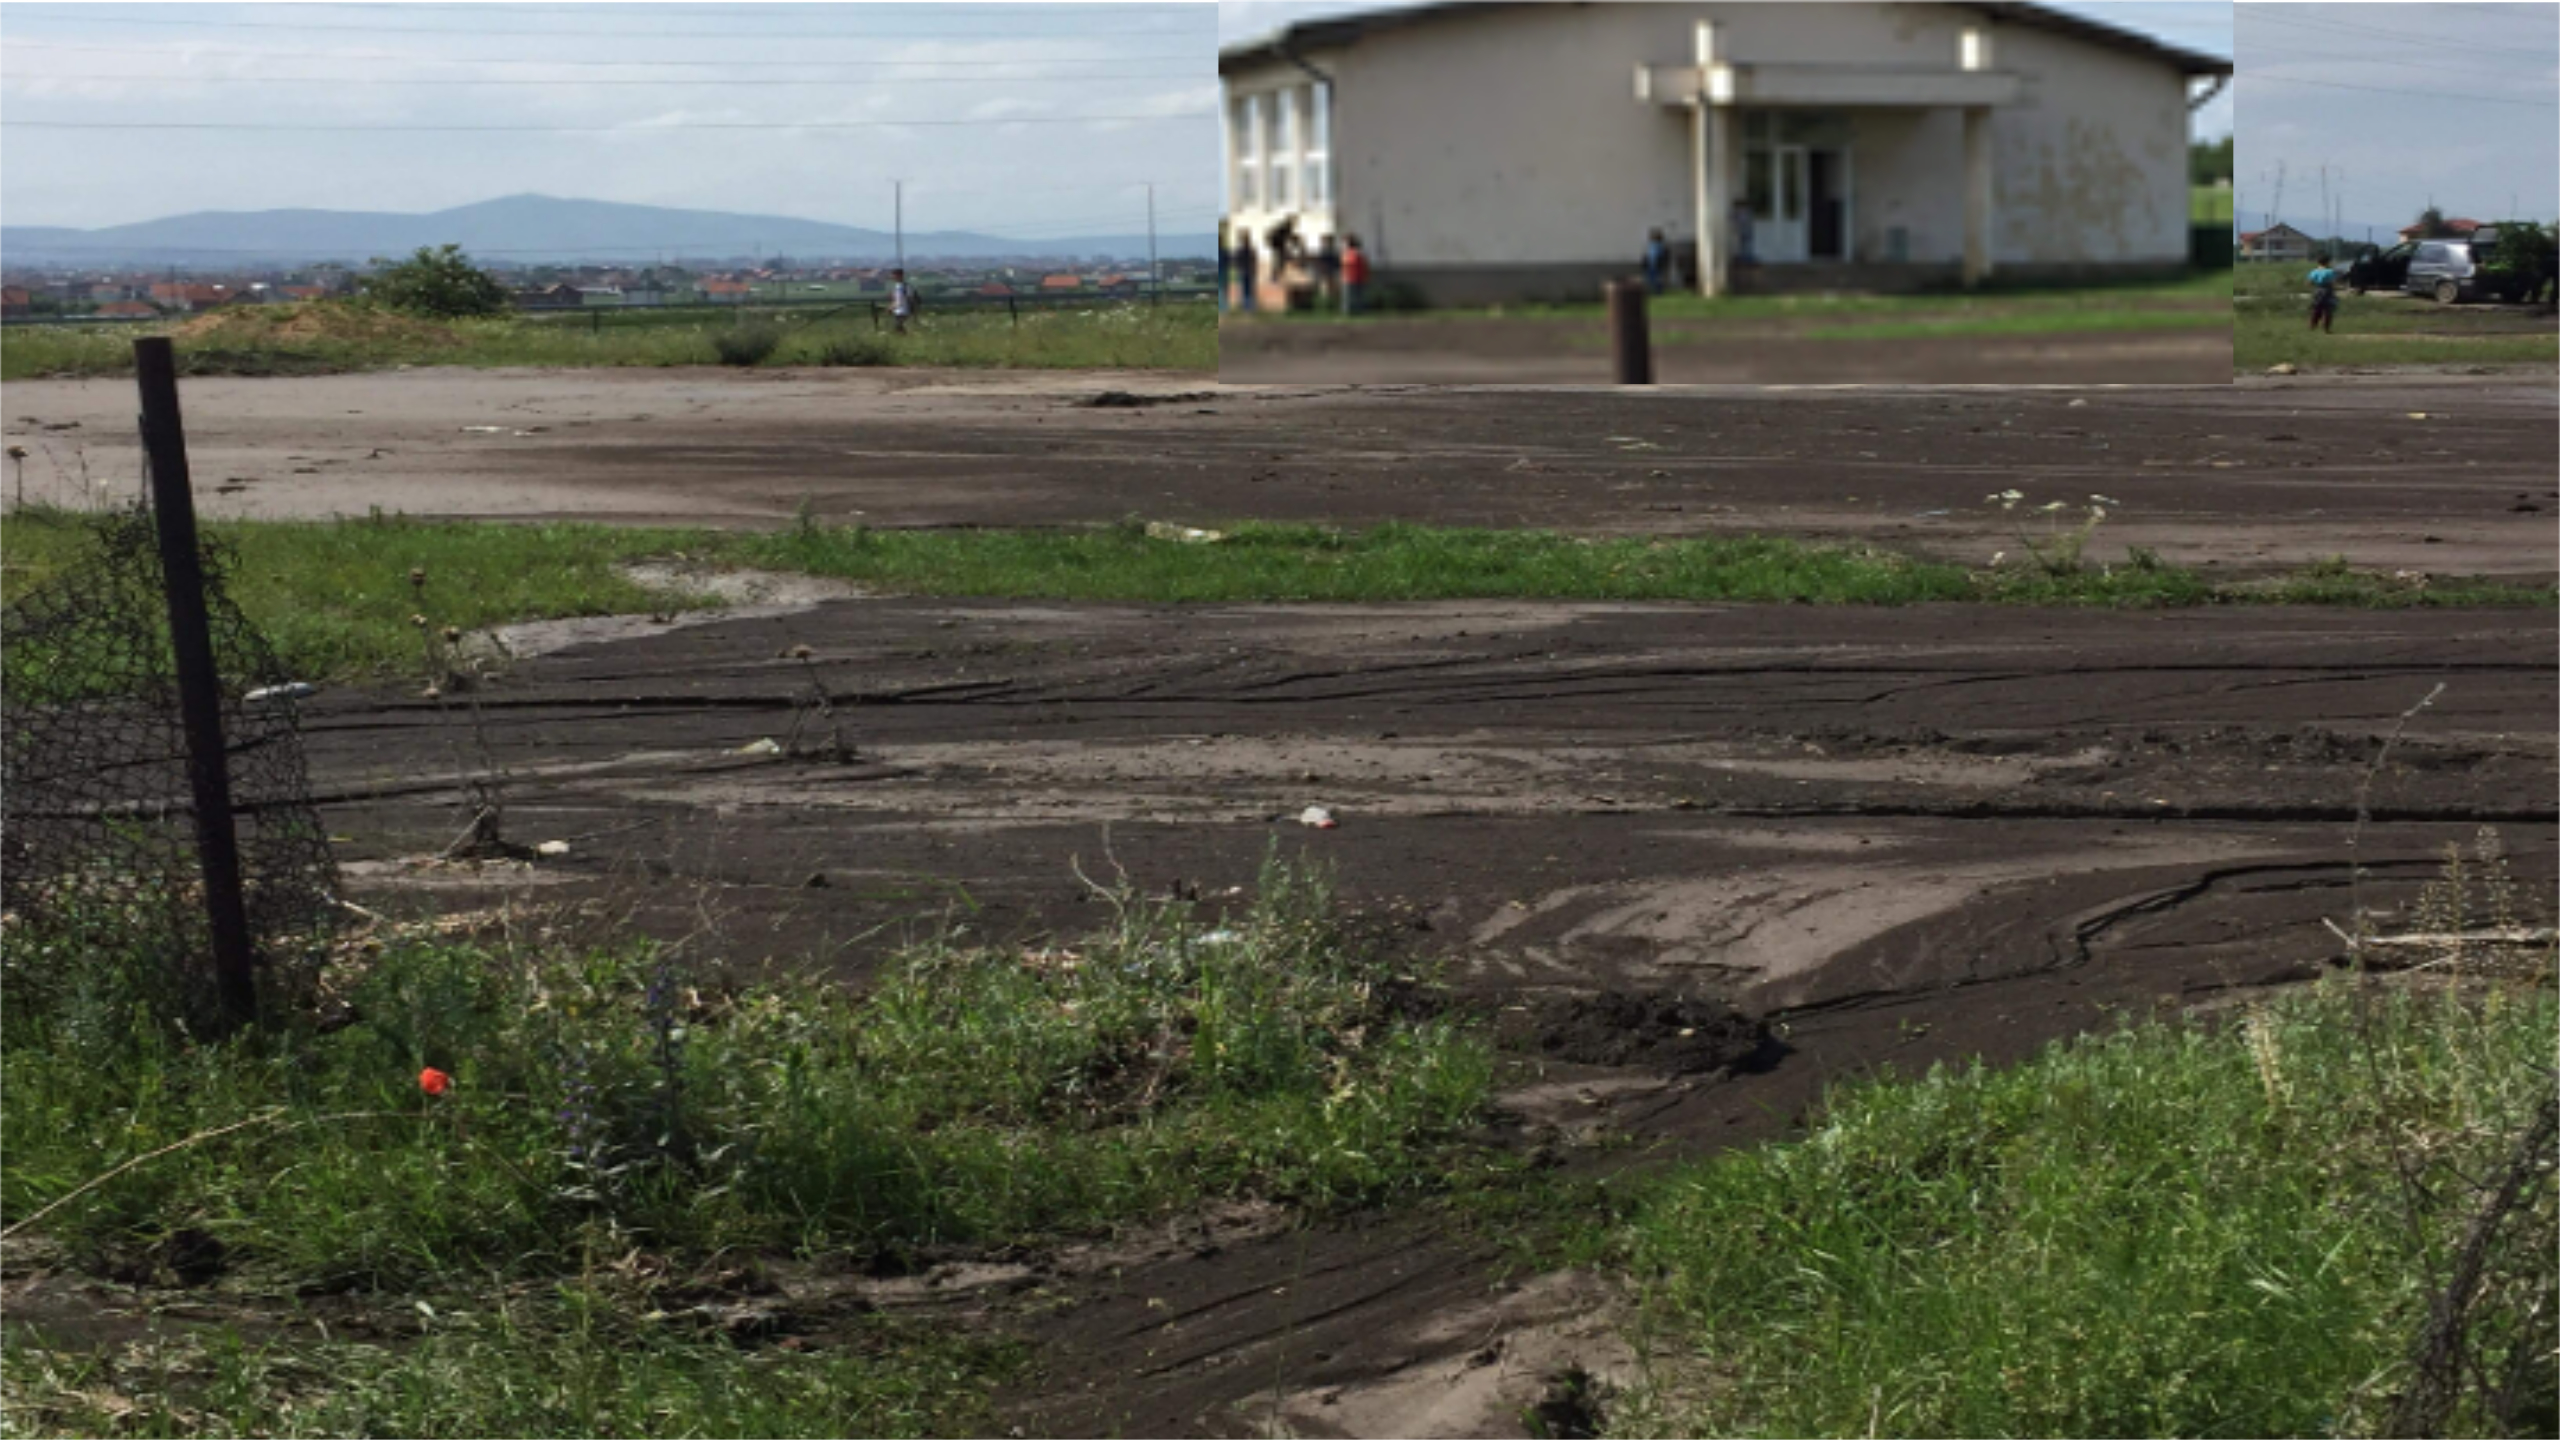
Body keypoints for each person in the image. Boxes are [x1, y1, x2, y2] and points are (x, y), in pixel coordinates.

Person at [2306, 251, 2339, 333]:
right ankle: (2326, 328)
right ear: (2327, 262)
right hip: (2327, 290)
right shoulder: (2330, 271)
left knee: (2316, 309)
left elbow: (2309, 283)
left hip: (2317, 290)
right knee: (2328, 310)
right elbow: (2333, 282)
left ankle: (2312, 326)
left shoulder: (2314, 271)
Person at [1340, 234, 1370, 315]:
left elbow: (1353, 263)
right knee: (1348, 297)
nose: (1343, 245)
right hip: (1349, 277)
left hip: (1355, 277)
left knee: (1356, 296)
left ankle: (1357, 311)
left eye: (1345, 243)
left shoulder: (1355, 253)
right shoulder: (1346, 253)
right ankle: (1348, 312)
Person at [1314, 234, 1342, 309]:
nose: (1326, 244)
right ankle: (1325, 305)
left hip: (1331, 272)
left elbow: (1337, 263)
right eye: (1325, 242)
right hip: (1325, 273)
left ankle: (1331, 305)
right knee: (1325, 290)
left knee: (1333, 290)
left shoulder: (1333, 252)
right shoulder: (1322, 252)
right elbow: (1319, 263)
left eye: (1328, 242)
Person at [1233, 234, 1258, 313]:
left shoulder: (1240, 250)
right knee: (1249, 289)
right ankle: (1250, 306)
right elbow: (1254, 261)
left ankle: (1246, 306)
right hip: (1249, 271)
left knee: (1244, 289)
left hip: (1244, 271)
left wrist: (1239, 269)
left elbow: (1237, 262)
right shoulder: (1251, 250)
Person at [1642, 227, 1671, 295]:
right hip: (1652, 265)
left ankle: (1658, 291)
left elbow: (1662, 256)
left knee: (1656, 279)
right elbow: (1648, 255)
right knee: (1652, 278)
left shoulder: (1659, 246)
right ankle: (1654, 290)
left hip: (1656, 265)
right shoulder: (1652, 245)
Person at [888, 268, 915, 335]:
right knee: (898, 327)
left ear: (899, 275)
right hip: (897, 310)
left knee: (899, 327)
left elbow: (904, 299)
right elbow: (896, 299)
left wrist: (892, 307)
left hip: (904, 310)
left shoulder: (906, 286)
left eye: (894, 275)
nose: (892, 277)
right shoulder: (897, 286)